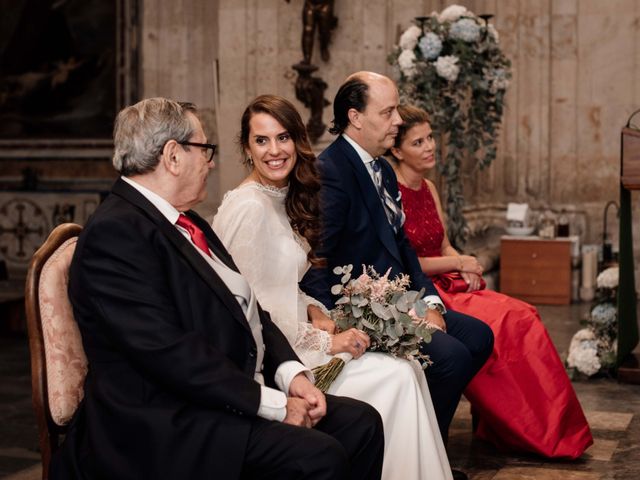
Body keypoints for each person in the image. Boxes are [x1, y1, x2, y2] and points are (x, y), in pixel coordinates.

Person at [50, 97, 385, 480]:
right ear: (173, 156)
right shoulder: (117, 233)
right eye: (205, 149)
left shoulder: (187, 220)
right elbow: (167, 353)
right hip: (166, 420)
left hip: (222, 394)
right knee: (317, 457)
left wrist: (291, 374)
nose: (211, 162)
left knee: (362, 423)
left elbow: (250, 307)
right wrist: (274, 404)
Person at [212, 94, 453, 480]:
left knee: (407, 367)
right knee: (397, 376)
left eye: (283, 137)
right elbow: (249, 314)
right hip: (275, 359)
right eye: (262, 140)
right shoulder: (248, 208)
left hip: (298, 335)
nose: (274, 150)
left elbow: (283, 284)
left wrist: (313, 308)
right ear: (246, 147)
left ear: (297, 141)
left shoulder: (281, 197)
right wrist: (328, 342)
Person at [300, 72, 494, 479]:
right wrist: (327, 318)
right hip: (361, 307)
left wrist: (430, 302)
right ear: (355, 117)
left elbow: (404, 247)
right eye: (387, 112)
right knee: (451, 357)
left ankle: (429, 455)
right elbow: (318, 256)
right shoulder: (332, 169)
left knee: (478, 337)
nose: (396, 122)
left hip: (401, 299)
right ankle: (419, 462)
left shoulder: (383, 170)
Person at [389, 104, 593, 459]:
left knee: (524, 314)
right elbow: (406, 261)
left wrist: (463, 264)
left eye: (431, 137)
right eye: (418, 142)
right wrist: (457, 261)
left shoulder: (430, 187)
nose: (430, 147)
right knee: (504, 324)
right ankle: (523, 426)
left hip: (450, 280)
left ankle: (540, 425)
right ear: (396, 150)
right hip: (424, 288)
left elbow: (443, 242)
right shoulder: (391, 191)